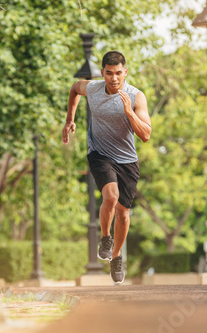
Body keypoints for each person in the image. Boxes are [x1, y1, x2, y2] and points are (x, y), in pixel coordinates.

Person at [62, 51, 151, 283]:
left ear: (125, 73)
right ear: (102, 73)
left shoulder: (135, 96)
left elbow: (146, 135)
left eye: (118, 73)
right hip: (99, 154)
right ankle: (105, 237)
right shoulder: (92, 89)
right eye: (109, 73)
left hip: (127, 160)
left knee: (123, 213)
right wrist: (70, 120)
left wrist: (129, 112)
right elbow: (74, 89)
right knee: (110, 197)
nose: (114, 78)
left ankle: (117, 256)